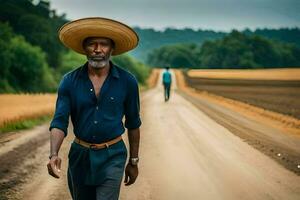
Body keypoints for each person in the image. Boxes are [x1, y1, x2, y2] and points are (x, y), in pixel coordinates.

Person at [47, 17, 141, 200]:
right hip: (80, 156)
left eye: (104, 44)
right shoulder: (69, 81)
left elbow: (134, 123)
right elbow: (59, 121)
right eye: (92, 44)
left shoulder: (127, 81)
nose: (98, 49)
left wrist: (134, 161)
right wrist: (53, 154)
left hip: (113, 155)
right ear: (84, 48)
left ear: (112, 49)